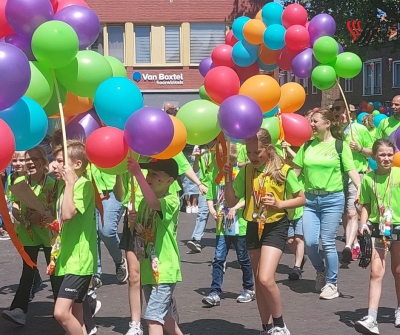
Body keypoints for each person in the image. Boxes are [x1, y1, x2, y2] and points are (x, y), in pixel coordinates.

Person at [224, 128, 305, 335]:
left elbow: (301, 198)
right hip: (253, 225)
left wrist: (279, 203)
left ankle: (280, 325)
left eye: (257, 152)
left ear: (268, 149)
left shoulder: (283, 170)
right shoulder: (247, 170)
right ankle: (266, 327)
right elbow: (232, 201)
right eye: (249, 153)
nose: (253, 157)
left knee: (266, 278)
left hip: (275, 224)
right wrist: (227, 179)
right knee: (258, 279)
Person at [293, 109, 361, 300]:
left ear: (327, 123)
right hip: (309, 200)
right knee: (310, 243)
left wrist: (362, 189)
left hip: (333, 199)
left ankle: (332, 283)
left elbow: (351, 170)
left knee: (328, 242)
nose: (311, 125)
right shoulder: (306, 147)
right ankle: (320, 270)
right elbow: (294, 173)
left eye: (315, 121)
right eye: (311, 121)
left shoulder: (340, 146)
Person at [126, 158, 186, 335]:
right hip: (148, 270)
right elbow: (139, 232)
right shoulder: (143, 202)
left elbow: (154, 203)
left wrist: (138, 174)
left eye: (154, 174)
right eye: (147, 173)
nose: (149, 177)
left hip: (163, 270)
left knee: (153, 318)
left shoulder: (171, 201)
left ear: (169, 181)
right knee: (164, 317)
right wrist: (132, 222)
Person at [2, 147, 57, 325]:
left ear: (43, 161)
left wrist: (40, 215)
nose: (30, 163)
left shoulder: (53, 184)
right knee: (28, 271)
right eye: (27, 160)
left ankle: (64, 310)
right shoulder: (19, 181)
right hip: (29, 232)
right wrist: (17, 212)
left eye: (34, 159)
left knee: (55, 272)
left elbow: (58, 210)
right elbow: (15, 202)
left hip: (49, 234)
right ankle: (19, 310)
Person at [51, 140, 97, 335]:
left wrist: (70, 183)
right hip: (66, 258)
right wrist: (55, 256)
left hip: (79, 260)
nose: (55, 165)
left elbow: (68, 214)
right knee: (77, 313)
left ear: (77, 165)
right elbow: (61, 226)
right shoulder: (64, 187)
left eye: (61, 161)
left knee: (61, 313)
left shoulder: (83, 185)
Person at [354, 139, 400, 334]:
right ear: (374, 157)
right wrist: (363, 223)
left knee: (398, 271)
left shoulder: (399, 174)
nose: (386, 158)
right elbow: (365, 204)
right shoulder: (368, 178)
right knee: (375, 272)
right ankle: (372, 317)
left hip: (398, 226)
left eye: (389, 154)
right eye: (382, 154)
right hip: (378, 228)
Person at [202, 143, 255, 307]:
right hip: (221, 225)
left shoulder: (241, 174)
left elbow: (249, 196)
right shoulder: (215, 175)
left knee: (243, 258)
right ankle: (215, 291)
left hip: (240, 225)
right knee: (218, 259)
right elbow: (210, 195)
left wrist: (235, 207)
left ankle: (248, 288)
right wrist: (211, 209)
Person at [331, 99, 373, 263]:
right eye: (334, 109)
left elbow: (372, 152)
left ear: (349, 112)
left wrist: (360, 149)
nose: (336, 112)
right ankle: (354, 241)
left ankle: (348, 246)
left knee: (352, 212)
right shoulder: (334, 131)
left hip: (357, 174)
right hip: (337, 175)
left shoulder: (359, 129)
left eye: (339, 108)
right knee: (343, 213)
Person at [89, 166, 127, 287]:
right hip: (88, 187)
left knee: (106, 230)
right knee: (92, 233)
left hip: (112, 187)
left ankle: (119, 261)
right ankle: (95, 273)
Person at [281, 141, 307, 280]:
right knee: (290, 241)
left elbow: (300, 162)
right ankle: (300, 258)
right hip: (287, 211)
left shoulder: (298, 173)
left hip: (300, 210)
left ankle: (296, 267)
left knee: (299, 238)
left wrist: (288, 148)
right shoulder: (282, 174)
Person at [187, 140, 216, 253]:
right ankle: (196, 239)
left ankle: (224, 239)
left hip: (219, 184)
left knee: (220, 212)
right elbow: (195, 170)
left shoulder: (220, 146)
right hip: (205, 185)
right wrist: (198, 158)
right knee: (202, 212)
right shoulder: (199, 147)